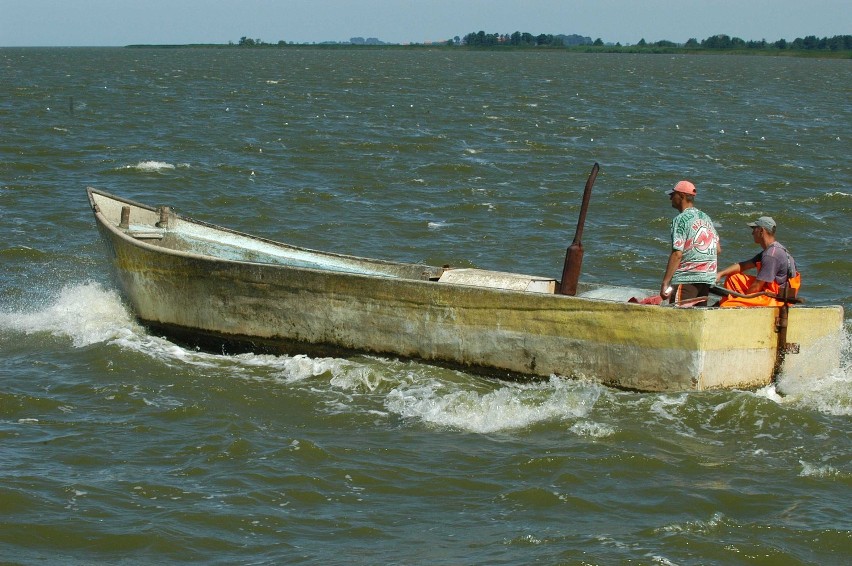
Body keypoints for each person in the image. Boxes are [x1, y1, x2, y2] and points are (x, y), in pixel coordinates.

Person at [715, 216, 801, 308]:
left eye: (754, 229)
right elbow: (743, 266)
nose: (752, 233)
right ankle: (733, 300)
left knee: (728, 305)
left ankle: (728, 304)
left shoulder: (771, 255)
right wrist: (720, 274)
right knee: (733, 277)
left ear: (761, 231)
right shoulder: (772, 250)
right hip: (768, 291)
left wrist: (743, 299)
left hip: (776, 298)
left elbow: (757, 286)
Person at [659, 180, 720, 305]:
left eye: (672, 195)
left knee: (678, 318)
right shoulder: (706, 217)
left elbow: (677, 254)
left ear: (681, 196)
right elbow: (717, 249)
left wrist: (665, 282)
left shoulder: (680, 220)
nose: (670, 198)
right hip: (707, 278)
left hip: (687, 279)